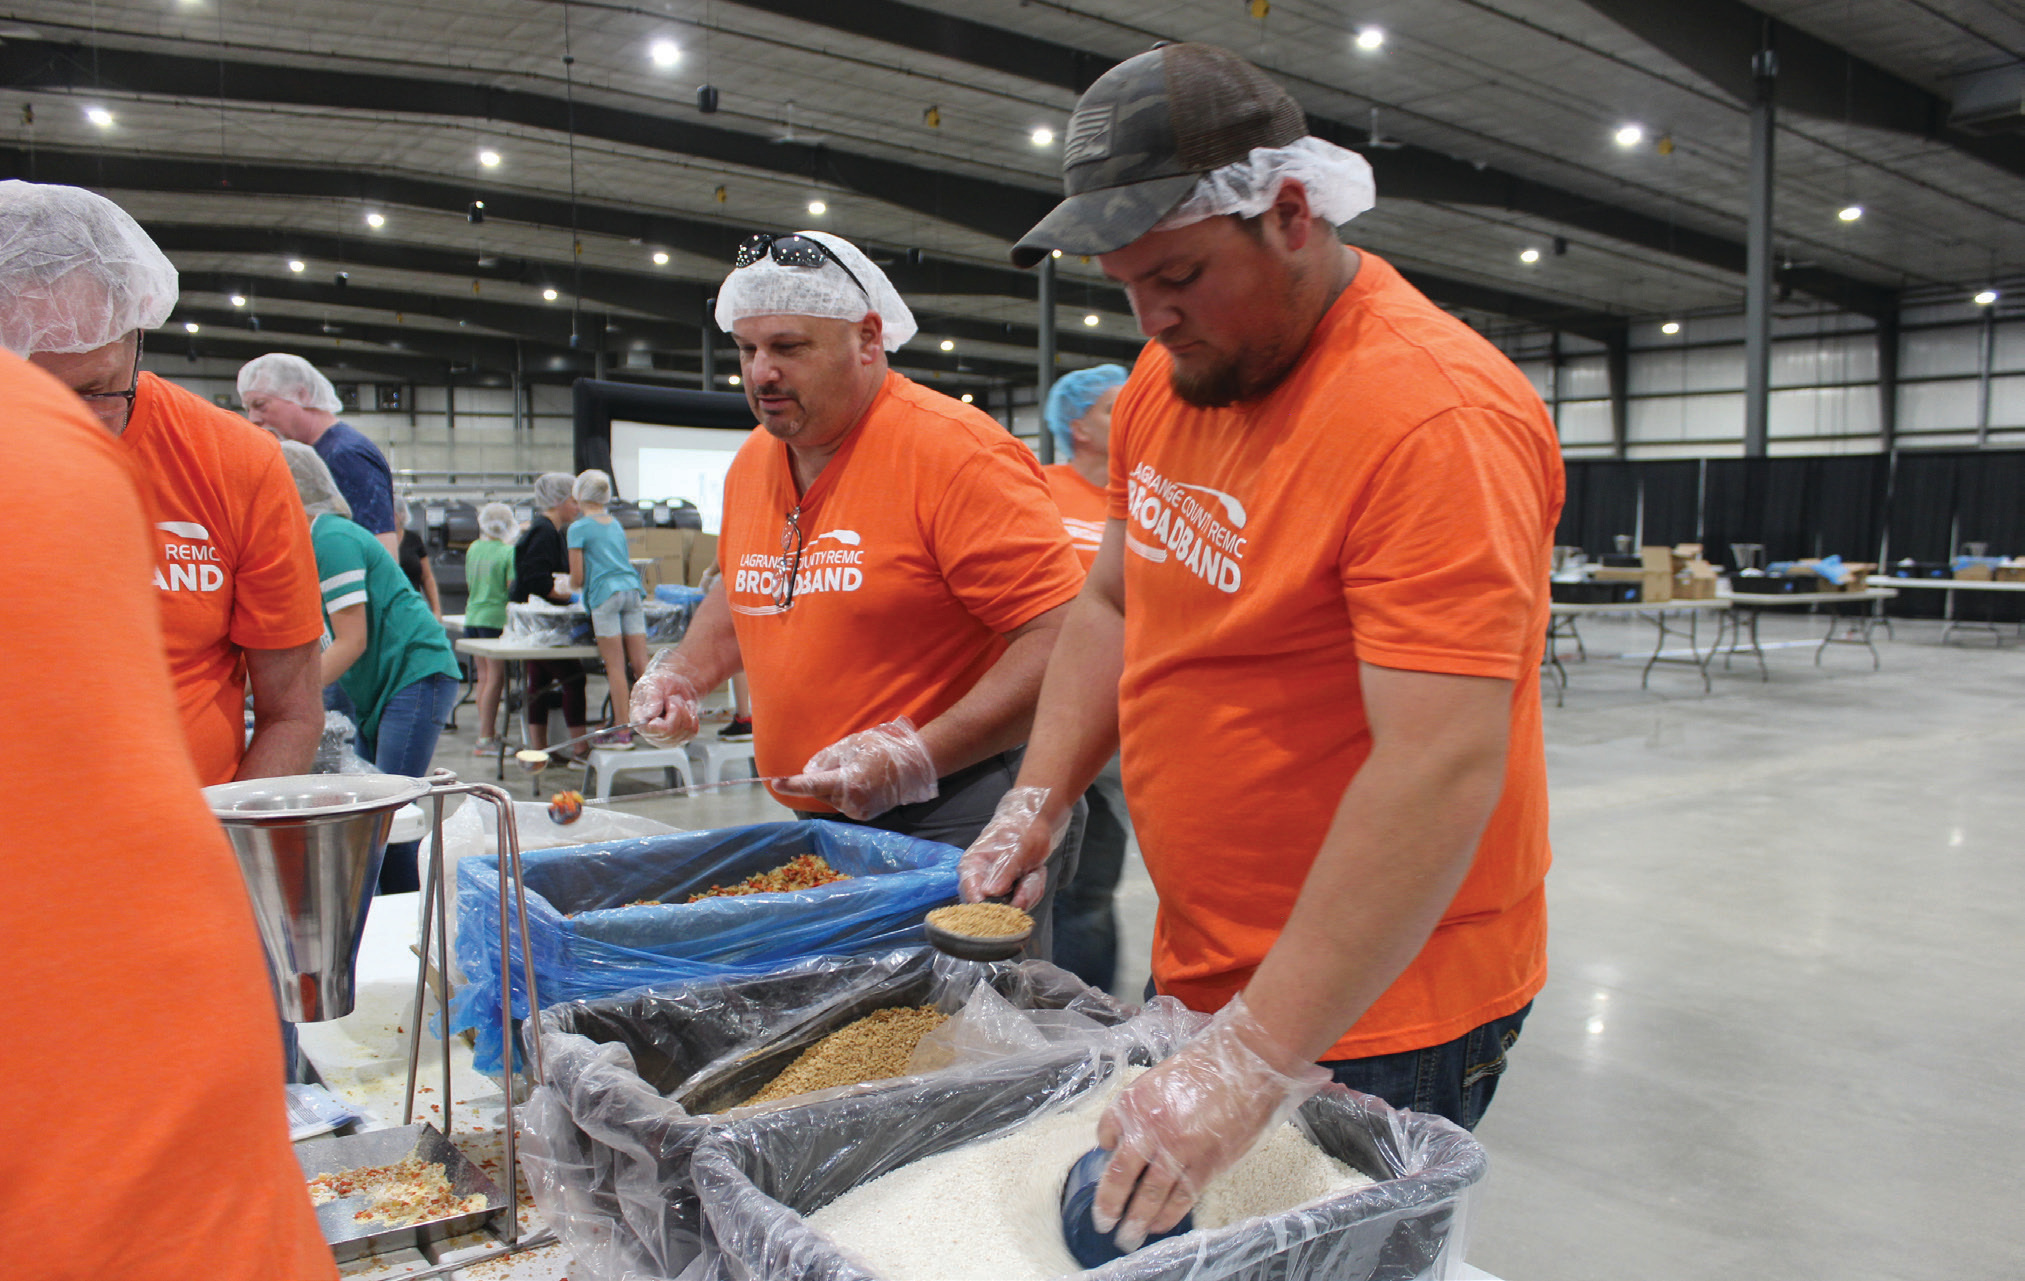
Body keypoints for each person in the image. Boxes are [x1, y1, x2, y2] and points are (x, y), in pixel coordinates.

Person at [969, 42, 1563, 1248]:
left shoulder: (1431, 417)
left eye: (1179, 273)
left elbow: (1436, 766)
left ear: (1291, 214)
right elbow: (1115, 606)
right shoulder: (1168, 375)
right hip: (1213, 964)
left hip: (1377, 1005)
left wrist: (1254, 1057)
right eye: (1124, 284)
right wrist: (1039, 796)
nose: (1151, 316)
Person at [629, 229, 1086, 925]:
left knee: (956, 1029)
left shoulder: (953, 453)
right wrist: (682, 672)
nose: (760, 373)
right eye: (747, 349)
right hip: (820, 822)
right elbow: (744, 585)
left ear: (867, 339)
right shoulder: (755, 459)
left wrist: (914, 754)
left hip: (956, 814)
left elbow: (1062, 637)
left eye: (788, 347)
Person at [0, 349, 337, 1280]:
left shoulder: (227, 460)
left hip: (195, 909)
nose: (93, 417)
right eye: (53, 388)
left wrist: (216, 879)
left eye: (110, 389)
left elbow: (296, 701)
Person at [0, 181, 324, 786]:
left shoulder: (233, 463)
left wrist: (227, 854)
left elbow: (293, 713)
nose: (67, 423)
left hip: (187, 852)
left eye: (96, 391)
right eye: (27, 392)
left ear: (136, 337)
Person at [283, 442, 463, 894]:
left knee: (391, 806)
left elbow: (353, 641)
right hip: (382, 683)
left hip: (414, 672)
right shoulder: (312, 541)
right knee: (375, 806)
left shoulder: (332, 537)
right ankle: (391, 907)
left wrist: (286, 702)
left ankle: (405, 913)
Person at [1037, 363, 1134, 995]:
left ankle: (1095, 1010)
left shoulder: (1153, 501)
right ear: (1078, 426)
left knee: (1094, 884)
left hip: (1132, 722)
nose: (1131, 417)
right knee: (1047, 882)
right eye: (1111, 408)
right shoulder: (1039, 490)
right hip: (1052, 718)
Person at [238, 352, 398, 552]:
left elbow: (381, 551)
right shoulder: (312, 455)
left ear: (302, 395)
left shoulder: (345, 455)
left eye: (260, 405)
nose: (253, 419)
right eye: (248, 409)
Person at [511, 472, 591, 767]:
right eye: (573, 499)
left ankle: (539, 750)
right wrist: (568, 597)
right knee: (574, 677)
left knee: (539, 681)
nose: (577, 505)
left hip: (540, 624)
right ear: (558, 501)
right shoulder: (545, 532)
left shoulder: (550, 530)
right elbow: (536, 579)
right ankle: (580, 749)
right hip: (540, 624)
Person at [567, 469, 647, 748]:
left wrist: (569, 585)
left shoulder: (578, 528)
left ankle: (622, 731)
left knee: (615, 666)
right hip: (632, 591)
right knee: (641, 667)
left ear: (578, 495)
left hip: (605, 595)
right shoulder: (614, 523)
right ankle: (655, 723)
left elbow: (577, 579)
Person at [465, 501, 519, 754]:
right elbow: (512, 588)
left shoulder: (474, 548)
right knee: (495, 678)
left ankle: (485, 733)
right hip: (495, 619)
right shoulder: (507, 553)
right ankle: (486, 737)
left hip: (473, 616)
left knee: (483, 678)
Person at [394, 499, 443, 616]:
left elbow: (427, 577)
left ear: (401, 515)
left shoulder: (414, 539)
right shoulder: (375, 540)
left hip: (413, 608)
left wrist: (436, 610)